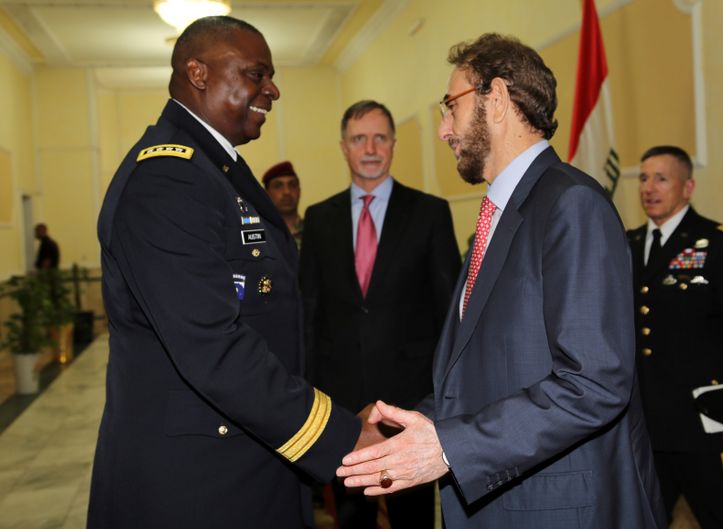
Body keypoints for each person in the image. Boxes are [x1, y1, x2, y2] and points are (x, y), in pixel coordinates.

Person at [336, 33, 666, 529]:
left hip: (559, 508)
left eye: (450, 107)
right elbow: (482, 371)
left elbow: (594, 382)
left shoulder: (570, 204)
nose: (444, 130)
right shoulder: (498, 216)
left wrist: (450, 448)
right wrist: (406, 426)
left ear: (496, 99)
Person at [88, 16, 376, 529]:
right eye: (256, 74)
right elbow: (212, 345)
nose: (272, 90)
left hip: (246, 454)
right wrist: (342, 437)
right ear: (198, 73)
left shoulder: (213, 170)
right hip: (197, 484)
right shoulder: (169, 179)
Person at [299, 99, 461, 529]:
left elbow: (450, 315)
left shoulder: (430, 213)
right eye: (359, 138)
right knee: (351, 517)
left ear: (393, 144)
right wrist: (310, 396)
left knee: (412, 519)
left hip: (409, 407)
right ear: (343, 147)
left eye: (379, 137)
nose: (370, 148)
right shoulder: (318, 220)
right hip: (339, 406)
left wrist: (441, 400)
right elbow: (309, 313)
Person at [628, 145, 723, 528]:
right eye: (644, 178)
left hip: (707, 423)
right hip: (646, 427)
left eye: (661, 178)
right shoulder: (625, 245)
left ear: (687, 186)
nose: (649, 187)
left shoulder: (721, 243)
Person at [262, 160, 303, 247]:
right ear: (267, 193)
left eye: (292, 185)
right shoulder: (261, 233)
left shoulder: (314, 231)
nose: (287, 192)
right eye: (278, 186)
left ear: (299, 191)